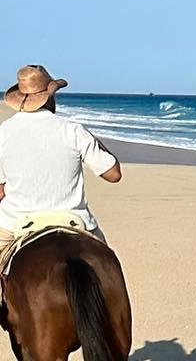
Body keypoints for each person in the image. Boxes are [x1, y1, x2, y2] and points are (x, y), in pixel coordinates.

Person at [0, 65, 122, 266]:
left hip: (15, 221)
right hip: (74, 219)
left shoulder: (4, 132)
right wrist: (95, 141)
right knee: (109, 264)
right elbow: (113, 174)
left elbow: (2, 190)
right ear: (50, 96)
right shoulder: (73, 130)